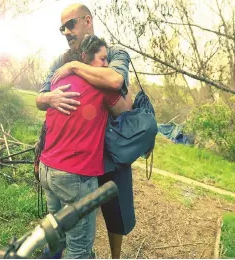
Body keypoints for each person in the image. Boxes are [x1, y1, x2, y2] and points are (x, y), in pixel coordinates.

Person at [36, 3, 136, 259]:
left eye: (70, 24)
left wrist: (75, 68)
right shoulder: (60, 61)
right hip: (76, 165)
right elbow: (40, 99)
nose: (66, 31)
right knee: (77, 245)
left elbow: (115, 79)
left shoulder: (114, 53)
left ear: (87, 21)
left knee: (115, 214)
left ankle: (115, 256)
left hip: (108, 154)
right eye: (62, 28)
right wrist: (50, 98)